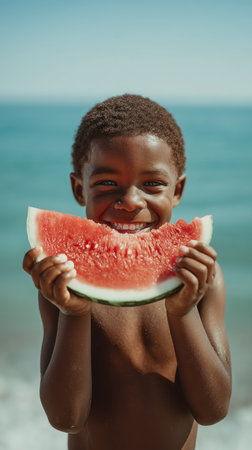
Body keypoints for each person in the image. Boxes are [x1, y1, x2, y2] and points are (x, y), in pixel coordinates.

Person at [23, 94, 232, 450]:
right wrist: (75, 314)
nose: (131, 201)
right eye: (107, 183)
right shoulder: (63, 282)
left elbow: (213, 409)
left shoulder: (202, 279)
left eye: (152, 184)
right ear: (79, 188)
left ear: (178, 189)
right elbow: (66, 418)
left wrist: (182, 312)